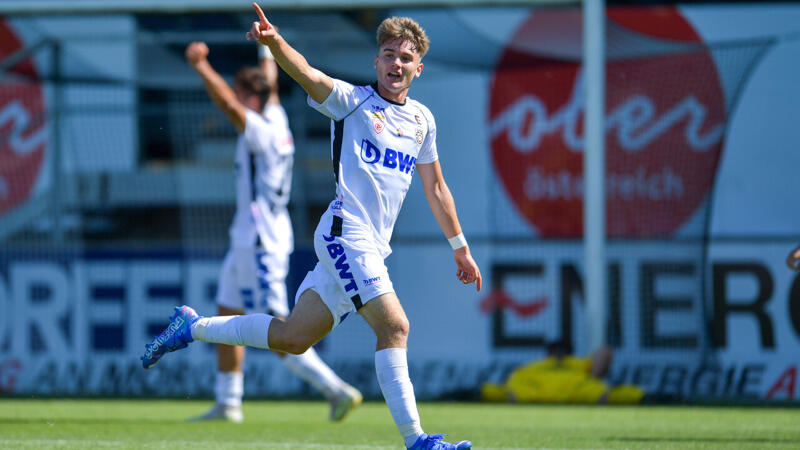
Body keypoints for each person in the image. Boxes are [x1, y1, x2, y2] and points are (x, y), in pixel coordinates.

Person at [143, 4, 481, 449]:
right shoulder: (353, 101)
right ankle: (417, 440)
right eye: (388, 54)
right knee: (395, 326)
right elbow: (305, 72)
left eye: (405, 57)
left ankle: (192, 326)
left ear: (419, 68)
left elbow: (436, 187)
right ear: (376, 61)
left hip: (371, 246)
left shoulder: (422, 121)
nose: (396, 63)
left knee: (292, 338)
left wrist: (460, 247)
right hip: (346, 233)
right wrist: (274, 43)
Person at [178, 40, 362, 423]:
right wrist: (267, 46)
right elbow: (272, 86)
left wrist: (201, 66)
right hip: (245, 238)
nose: (235, 97)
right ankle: (229, 401)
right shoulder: (276, 115)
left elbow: (229, 106)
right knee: (227, 309)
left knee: (282, 329)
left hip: (261, 242)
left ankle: (336, 390)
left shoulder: (260, 129)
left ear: (250, 96)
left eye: (240, 91)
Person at [481, 341, 644, 404]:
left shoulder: (577, 363)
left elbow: (606, 351)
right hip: (538, 391)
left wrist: (595, 372)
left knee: (610, 396)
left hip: (572, 390)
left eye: (562, 350)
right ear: (549, 354)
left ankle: (645, 396)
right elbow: (513, 379)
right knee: (492, 391)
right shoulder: (537, 365)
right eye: (555, 351)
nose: (558, 354)